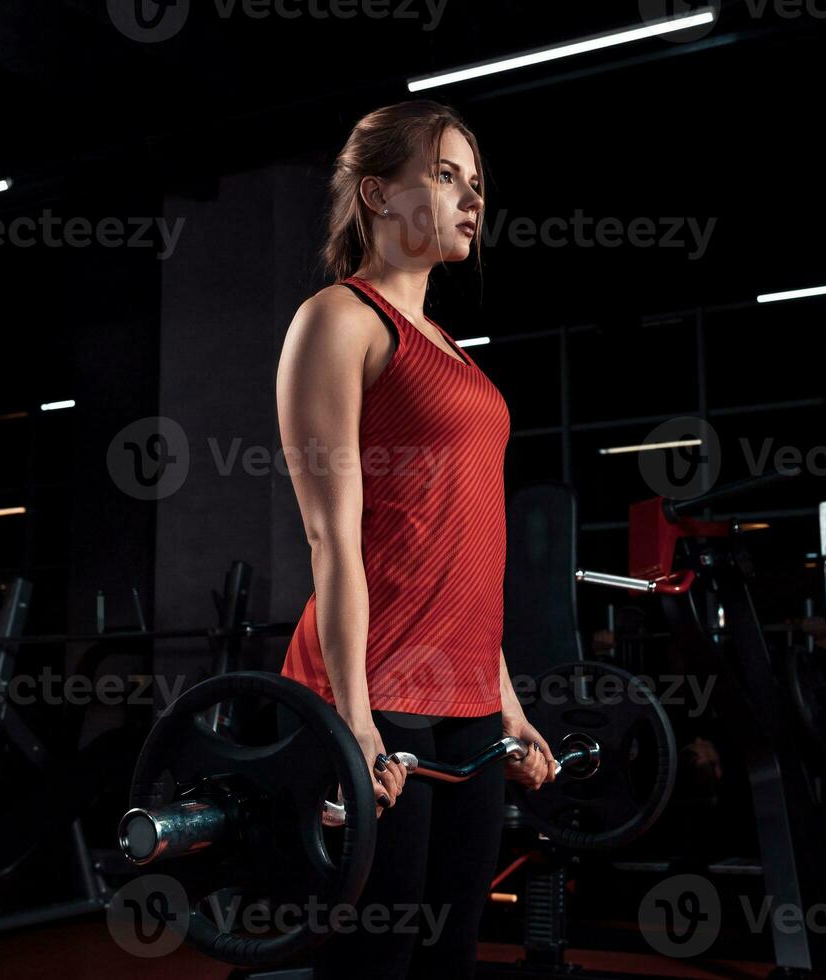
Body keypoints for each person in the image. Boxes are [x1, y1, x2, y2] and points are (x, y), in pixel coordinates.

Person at [274, 100, 556, 980]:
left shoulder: (454, 351)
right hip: (378, 687)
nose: (470, 200)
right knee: (375, 958)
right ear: (374, 194)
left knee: (451, 956)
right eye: (443, 177)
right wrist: (352, 717)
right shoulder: (341, 320)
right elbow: (333, 539)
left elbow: (465, 551)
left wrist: (505, 701)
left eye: (475, 185)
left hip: (466, 698)